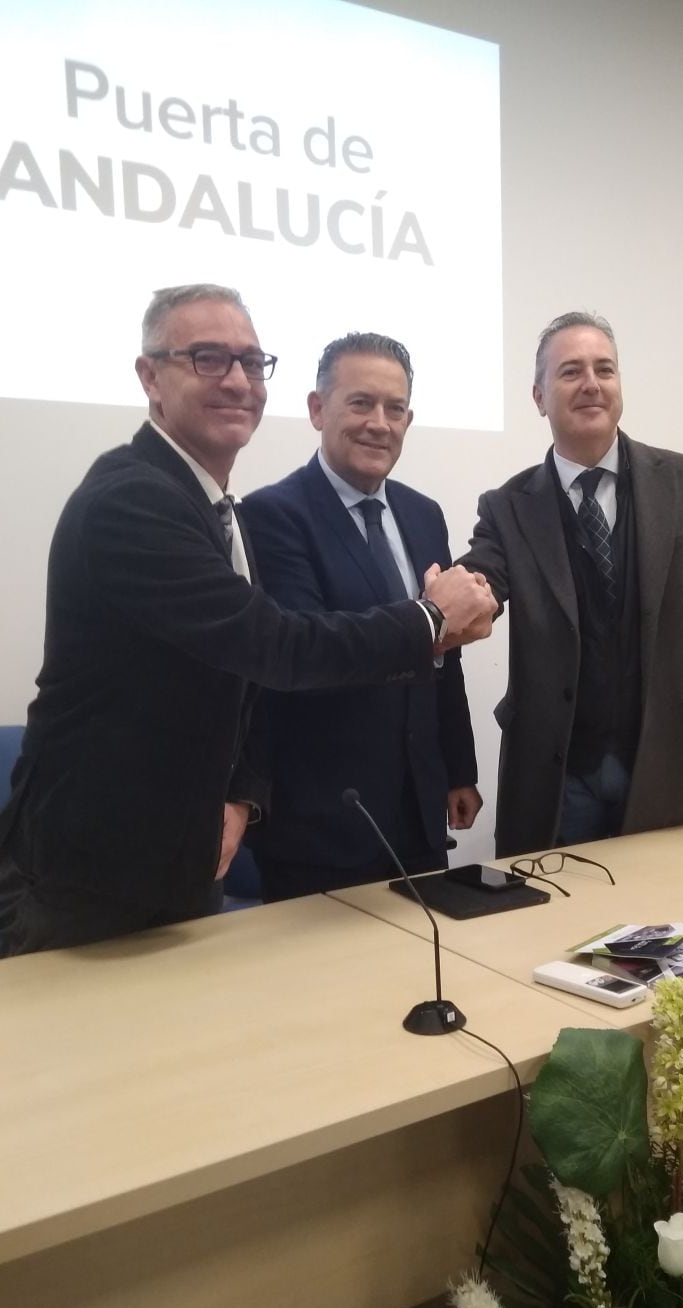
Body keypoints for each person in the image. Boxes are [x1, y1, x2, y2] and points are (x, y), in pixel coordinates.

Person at [0, 285, 495, 955]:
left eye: (252, 364)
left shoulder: (213, 507)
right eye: (206, 358)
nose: (236, 381)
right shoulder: (132, 501)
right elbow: (279, 648)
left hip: (185, 856)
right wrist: (432, 617)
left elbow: (242, 680)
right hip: (92, 872)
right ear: (150, 377)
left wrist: (243, 797)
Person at [461, 311, 683, 858]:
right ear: (538, 396)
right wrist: (447, 603)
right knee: (557, 930)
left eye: (604, 369)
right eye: (571, 372)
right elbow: (481, 582)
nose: (591, 384)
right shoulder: (507, 508)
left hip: (670, 758)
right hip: (557, 776)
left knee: (673, 923)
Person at [239, 333, 481, 898]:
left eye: (395, 409)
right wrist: (431, 620)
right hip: (321, 823)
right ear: (317, 410)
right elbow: (306, 655)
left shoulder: (423, 514)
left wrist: (457, 768)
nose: (379, 422)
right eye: (360, 403)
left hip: (418, 810)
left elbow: (447, 656)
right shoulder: (273, 515)